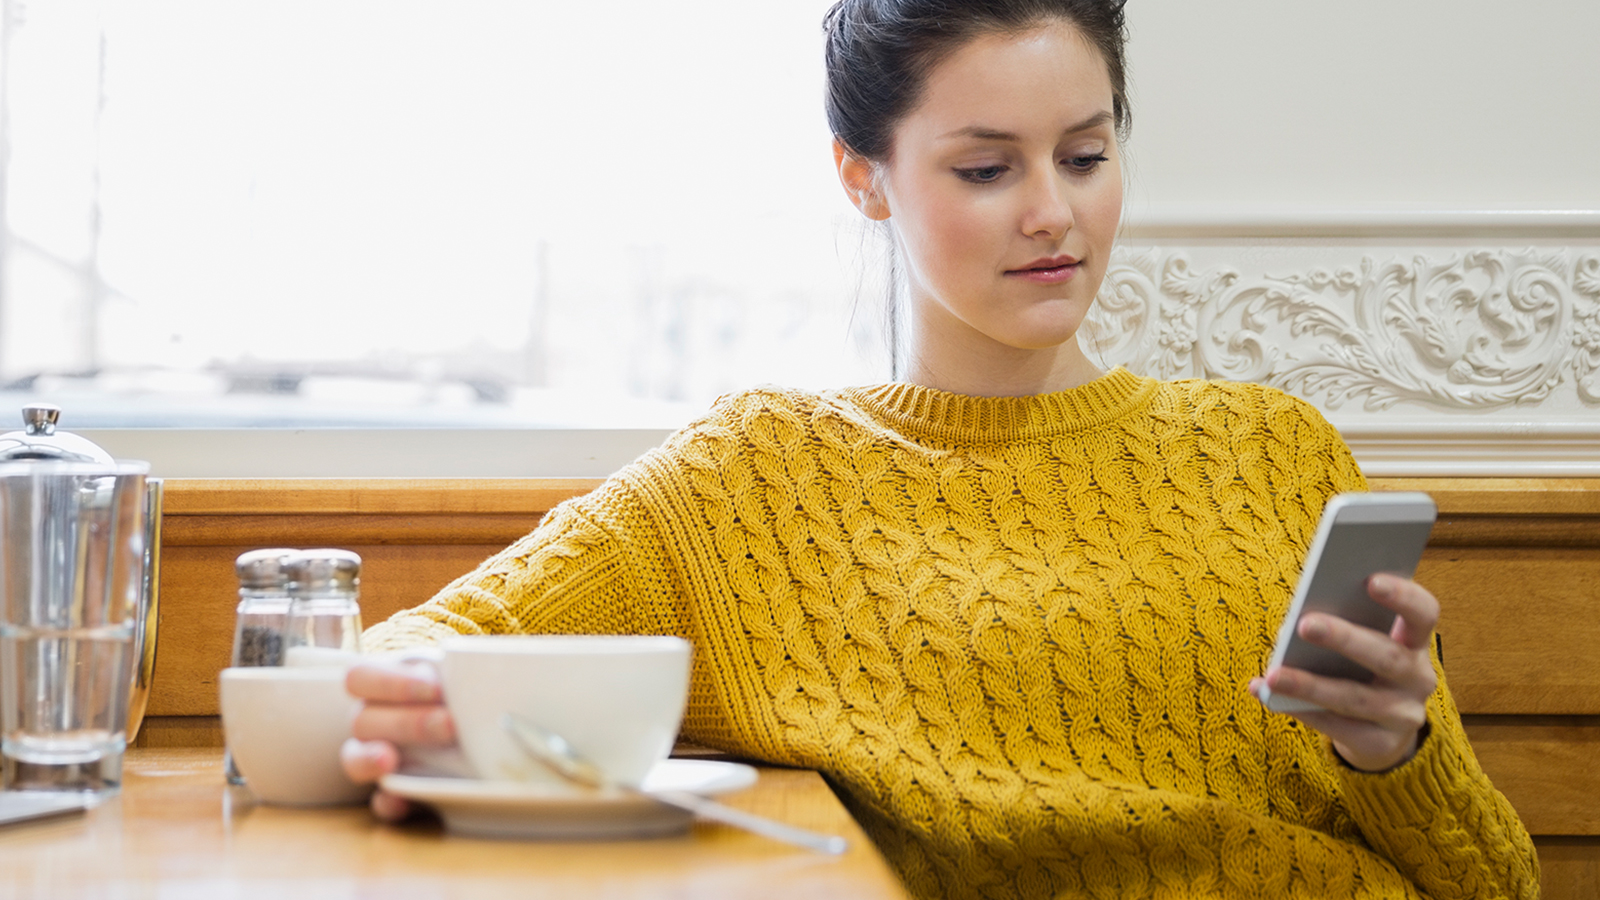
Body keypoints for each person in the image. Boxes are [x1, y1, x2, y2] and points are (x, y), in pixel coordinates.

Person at [340, 1, 1539, 897]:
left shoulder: (1273, 450)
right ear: (864, 179)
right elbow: (410, 653)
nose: (1051, 214)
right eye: (984, 167)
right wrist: (473, 722)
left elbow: (1498, 884)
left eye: (1084, 154)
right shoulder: (754, 478)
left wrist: (1397, 751)